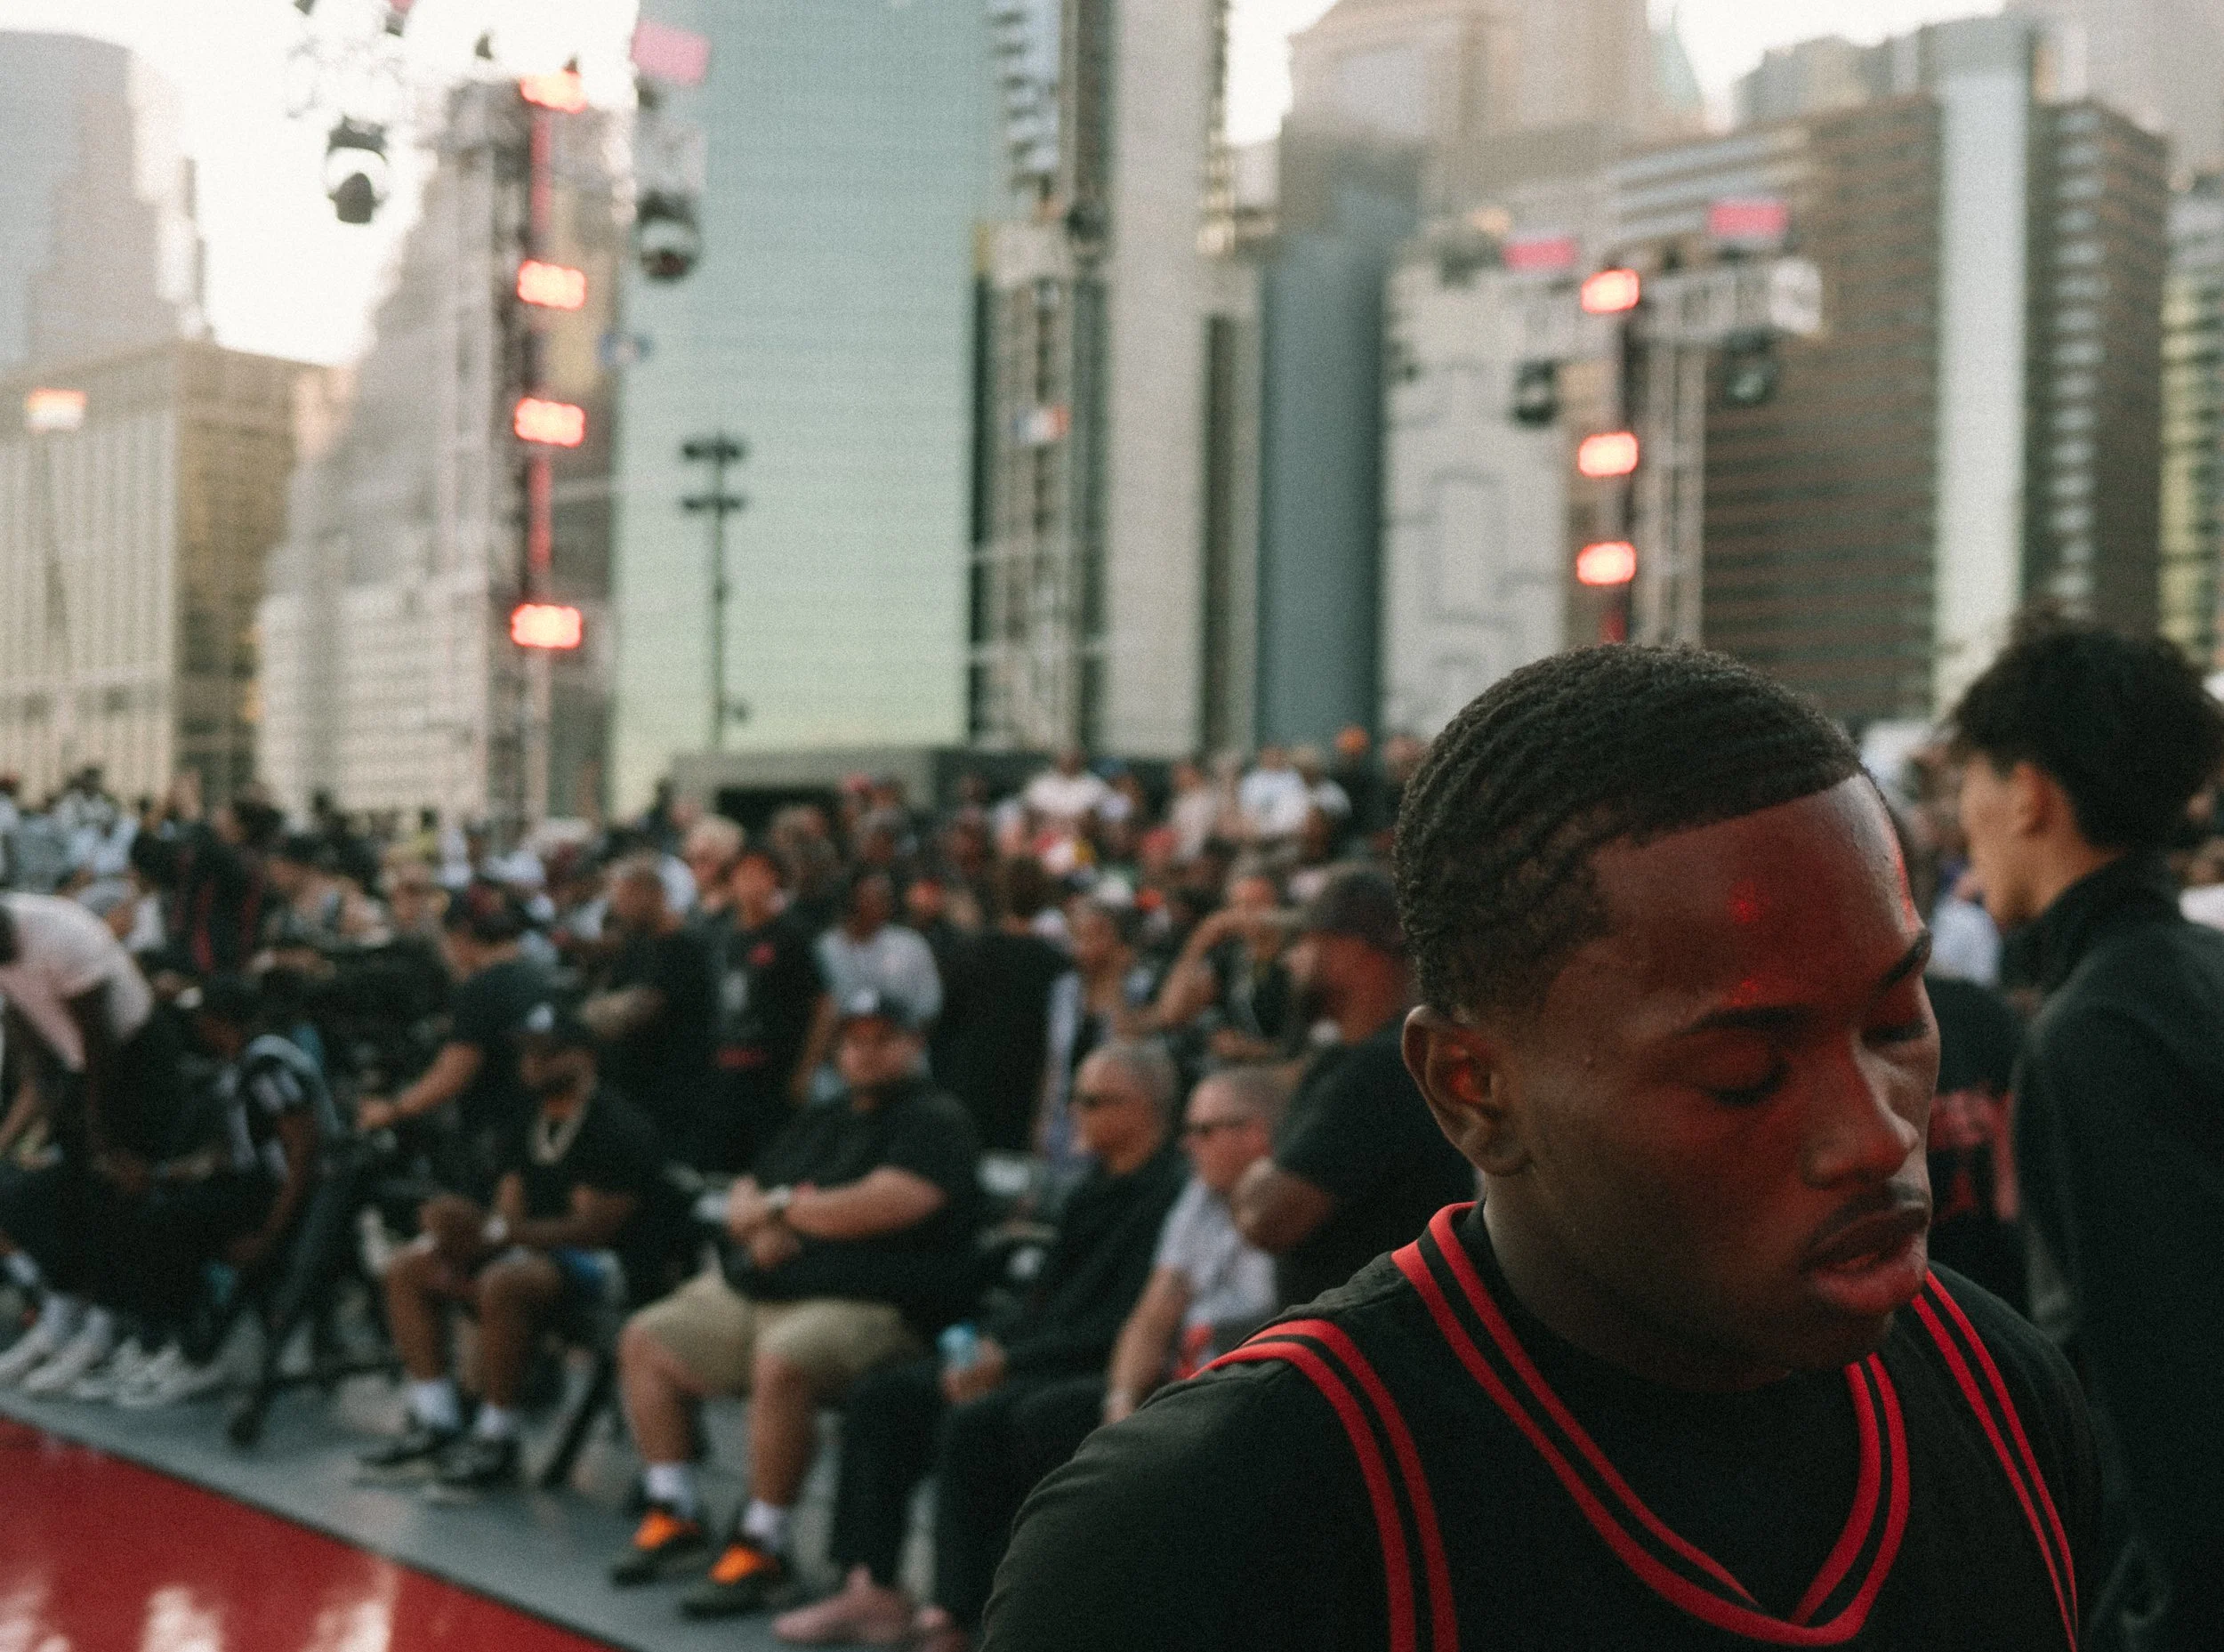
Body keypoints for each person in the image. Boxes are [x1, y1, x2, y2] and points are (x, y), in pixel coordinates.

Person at [987, 647, 2101, 1651]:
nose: (1875, 1134)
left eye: (1894, 1023)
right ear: (1474, 1090)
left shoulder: (1999, 1392)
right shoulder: (1206, 1533)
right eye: (1741, 1074)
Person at [1950, 619, 2224, 1648]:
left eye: (1970, 780)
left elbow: (2166, 1388)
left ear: (2027, 793)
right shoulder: (2195, 973)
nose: (1961, 817)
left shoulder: (2095, 1032)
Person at [773, 1042, 1185, 1651]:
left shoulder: (1170, 1196)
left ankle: (958, 1612)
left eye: (1093, 1101)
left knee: (982, 1421)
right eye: (1074, 1097)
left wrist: (1007, 1360)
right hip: (1040, 1349)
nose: (1074, 1111)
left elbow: (1124, 1325)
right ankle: (870, 1584)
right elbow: (1044, 1302)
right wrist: (988, 1345)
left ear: (1144, 1108)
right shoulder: (1091, 1186)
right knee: (885, 1396)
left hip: (1097, 1365)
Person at [606, 988, 980, 1619]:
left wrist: (783, 1211)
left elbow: (887, 1202)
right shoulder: (825, 1113)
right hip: (768, 1290)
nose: (864, 1052)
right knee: (647, 1335)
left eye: (882, 1038)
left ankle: (763, 1543)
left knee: (784, 1359)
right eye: (853, 1039)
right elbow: (745, 1193)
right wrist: (764, 1217)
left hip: (874, 1306)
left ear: (915, 1042)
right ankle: (674, 1509)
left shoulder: (936, 1119)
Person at [361, 1001, 682, 1490]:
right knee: (410, 1265)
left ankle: (497, 1438)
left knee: (505, 1281)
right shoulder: (525, 1117)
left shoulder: (617, 1125)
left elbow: (594, 1229)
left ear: (584, 1057)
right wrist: (464, 1236)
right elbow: (508, 1207)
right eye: (527, 1051)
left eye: (548, 1052)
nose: (533, 1063)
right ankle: (436, 1420)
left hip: (611, 1266)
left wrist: (497, 1236)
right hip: (532, 1251)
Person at [81, 973, 334, 1408]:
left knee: (170, 1224)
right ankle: (160, 1342)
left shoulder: (269, 1064)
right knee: (141, 1209)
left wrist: (271, 1234)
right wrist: (160, 1175)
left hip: (282, 1196)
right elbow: (229, 1155)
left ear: (218, 1021)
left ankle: (196, 1352)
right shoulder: (239, 1066)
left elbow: (302, 1151)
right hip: (251, 1185)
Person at [1231, 867, 1473, 1306]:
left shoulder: (1382, 1068)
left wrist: (1249, 1165)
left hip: (1374, 1340)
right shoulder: (1372, 1057)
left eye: (1306, 941)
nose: (1290, 960)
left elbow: (1268, 1219)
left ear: (1354, 951)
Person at [0, 892, 181, 1392]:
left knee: (112, 1196)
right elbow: (26, 1027)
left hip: (134, 1062)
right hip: (78, 1066)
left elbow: (100, 1042)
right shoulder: (7, 950)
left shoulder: (61, 934)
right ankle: (61, 1318)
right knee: (64, 1197)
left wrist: (100, 1132)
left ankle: (104, 1328)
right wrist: (47, 1105)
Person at [1101, 1063, 1285, 1422]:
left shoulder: (1292, 1209)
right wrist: (1120, 1402)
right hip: (1182, 1387)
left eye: (1203, 1131)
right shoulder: (1200, 1195)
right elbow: (1152, 1314)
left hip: (1249, 1397)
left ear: (1256, 1134)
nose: (1187, 1144)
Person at [355, 881, 552, 1194]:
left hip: (497, 1137)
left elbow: (453, 1075)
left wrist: (390, 1110)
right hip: (535, 1125)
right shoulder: (534, 971)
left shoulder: (482, 988)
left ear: (460, 935)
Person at [581, 855, 718, 1164]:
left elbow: (641, 1007)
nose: (618, 909)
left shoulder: (685, 949)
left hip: (673, 1094)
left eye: (625, 899)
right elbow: (603, 1000)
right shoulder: (636, 946)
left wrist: (598, 1014)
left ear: (651, 894)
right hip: (632, 1090)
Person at [707, 848, 827, 1173]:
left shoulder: (791, 936)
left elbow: (823, 1005)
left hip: (774, 1075)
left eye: (763, 872)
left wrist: (806, 1069)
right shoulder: (717, 935)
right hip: (723, 1073)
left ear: (776, 880)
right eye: (744, 872)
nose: (753, 881)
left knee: (774, 1164)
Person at [793, 870, 944, 1100]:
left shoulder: (911, 946)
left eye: (885, 896)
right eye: (871, 896)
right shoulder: (825, 948)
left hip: (900, 1065)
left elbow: (927, 1011)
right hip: (839, 1068)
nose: (881, 903)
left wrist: (892, 1053)